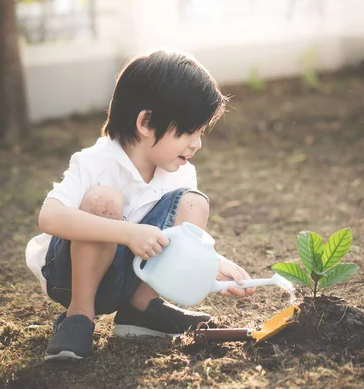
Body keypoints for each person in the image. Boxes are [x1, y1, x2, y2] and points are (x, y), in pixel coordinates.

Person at [25, 49, 255, 361]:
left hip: (132, 275)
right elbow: (49, 217)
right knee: (105, 200)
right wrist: (127, 233)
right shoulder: (95, 161)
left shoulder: (181, 173)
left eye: (201, 132)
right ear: (146, 122)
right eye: (190, 131)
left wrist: (214, 263)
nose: (197, 143)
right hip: (71, 275)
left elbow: (178, 242)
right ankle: (78, 316)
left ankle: (141, 309)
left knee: (192, 203)